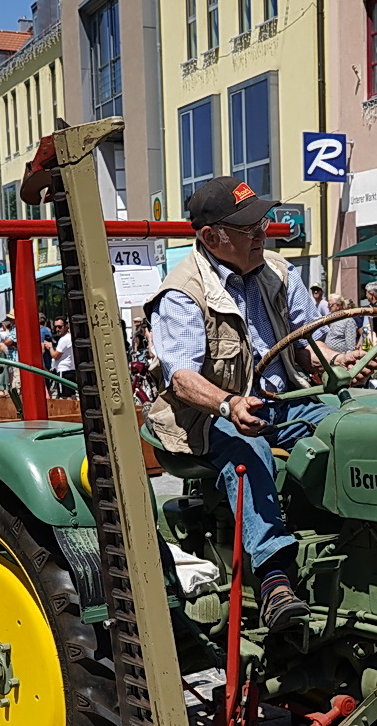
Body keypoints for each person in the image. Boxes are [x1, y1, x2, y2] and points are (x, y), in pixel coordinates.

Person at [145, 175, 340, 632]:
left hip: (282, 401)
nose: (261, 231)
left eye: (262, 220)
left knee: (347, 420)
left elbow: (304, 345)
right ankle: (274, 579)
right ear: (212, 237)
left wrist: (337, 359)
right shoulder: (182, 292)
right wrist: (229, 402)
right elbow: (182, 378)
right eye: (248, 226)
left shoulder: (278, 270)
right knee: (244, 448)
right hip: (209, 416)